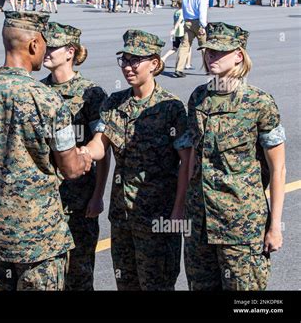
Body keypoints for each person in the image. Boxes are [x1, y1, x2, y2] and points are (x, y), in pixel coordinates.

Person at [0, 11, 93, 291]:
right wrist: (87, 156)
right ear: (34, 46)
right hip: (39, 242)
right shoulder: (50, 101)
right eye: (44, 43)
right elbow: (69, 168)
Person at [80, 29, 191, 290]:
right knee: (126, 282)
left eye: (135, 61)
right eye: (125, 60)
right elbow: (100, 143)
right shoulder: (114, 103)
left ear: (154, 64)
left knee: (157, 284)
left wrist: (178, 210)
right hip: (123, 215)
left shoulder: (170, 107)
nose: (128, 67)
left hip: (159, 215)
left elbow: (187, 162)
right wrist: (82, 153)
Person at [184, 22, 286, 290]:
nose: (211, 57)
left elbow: (278, 170)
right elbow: (192, 158)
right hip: (200, 223)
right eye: (208, 51)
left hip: (241, 226)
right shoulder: (198, 98)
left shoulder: (258, 103)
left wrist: (274, 226)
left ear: (239, 55)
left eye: (219, 52)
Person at [41, 22, 110, 290]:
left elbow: (102, 149)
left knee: (79, 276)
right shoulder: (40, 91)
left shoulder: (90, 94)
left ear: (70, 52)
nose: (46, 51)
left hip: (79, 200)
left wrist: (97, 196)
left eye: (53, 47)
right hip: (46, 201)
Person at [173, 0, 208, 78]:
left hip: (187, 21)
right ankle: (208, 68)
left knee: (184, 45)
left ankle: (178, 69)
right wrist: (203, 25)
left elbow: (184, 6)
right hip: (197, 22)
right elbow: (202, 11)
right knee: (204, 46)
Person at [161, 0, 193, 70]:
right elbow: (179, 20)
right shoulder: (183, 12)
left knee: (175, 48)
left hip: (176, 33)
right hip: (182, 32)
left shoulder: (176, 12)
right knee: (188, 47)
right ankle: (187, 64)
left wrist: (174, 30)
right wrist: (175, 28)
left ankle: (164, 57)